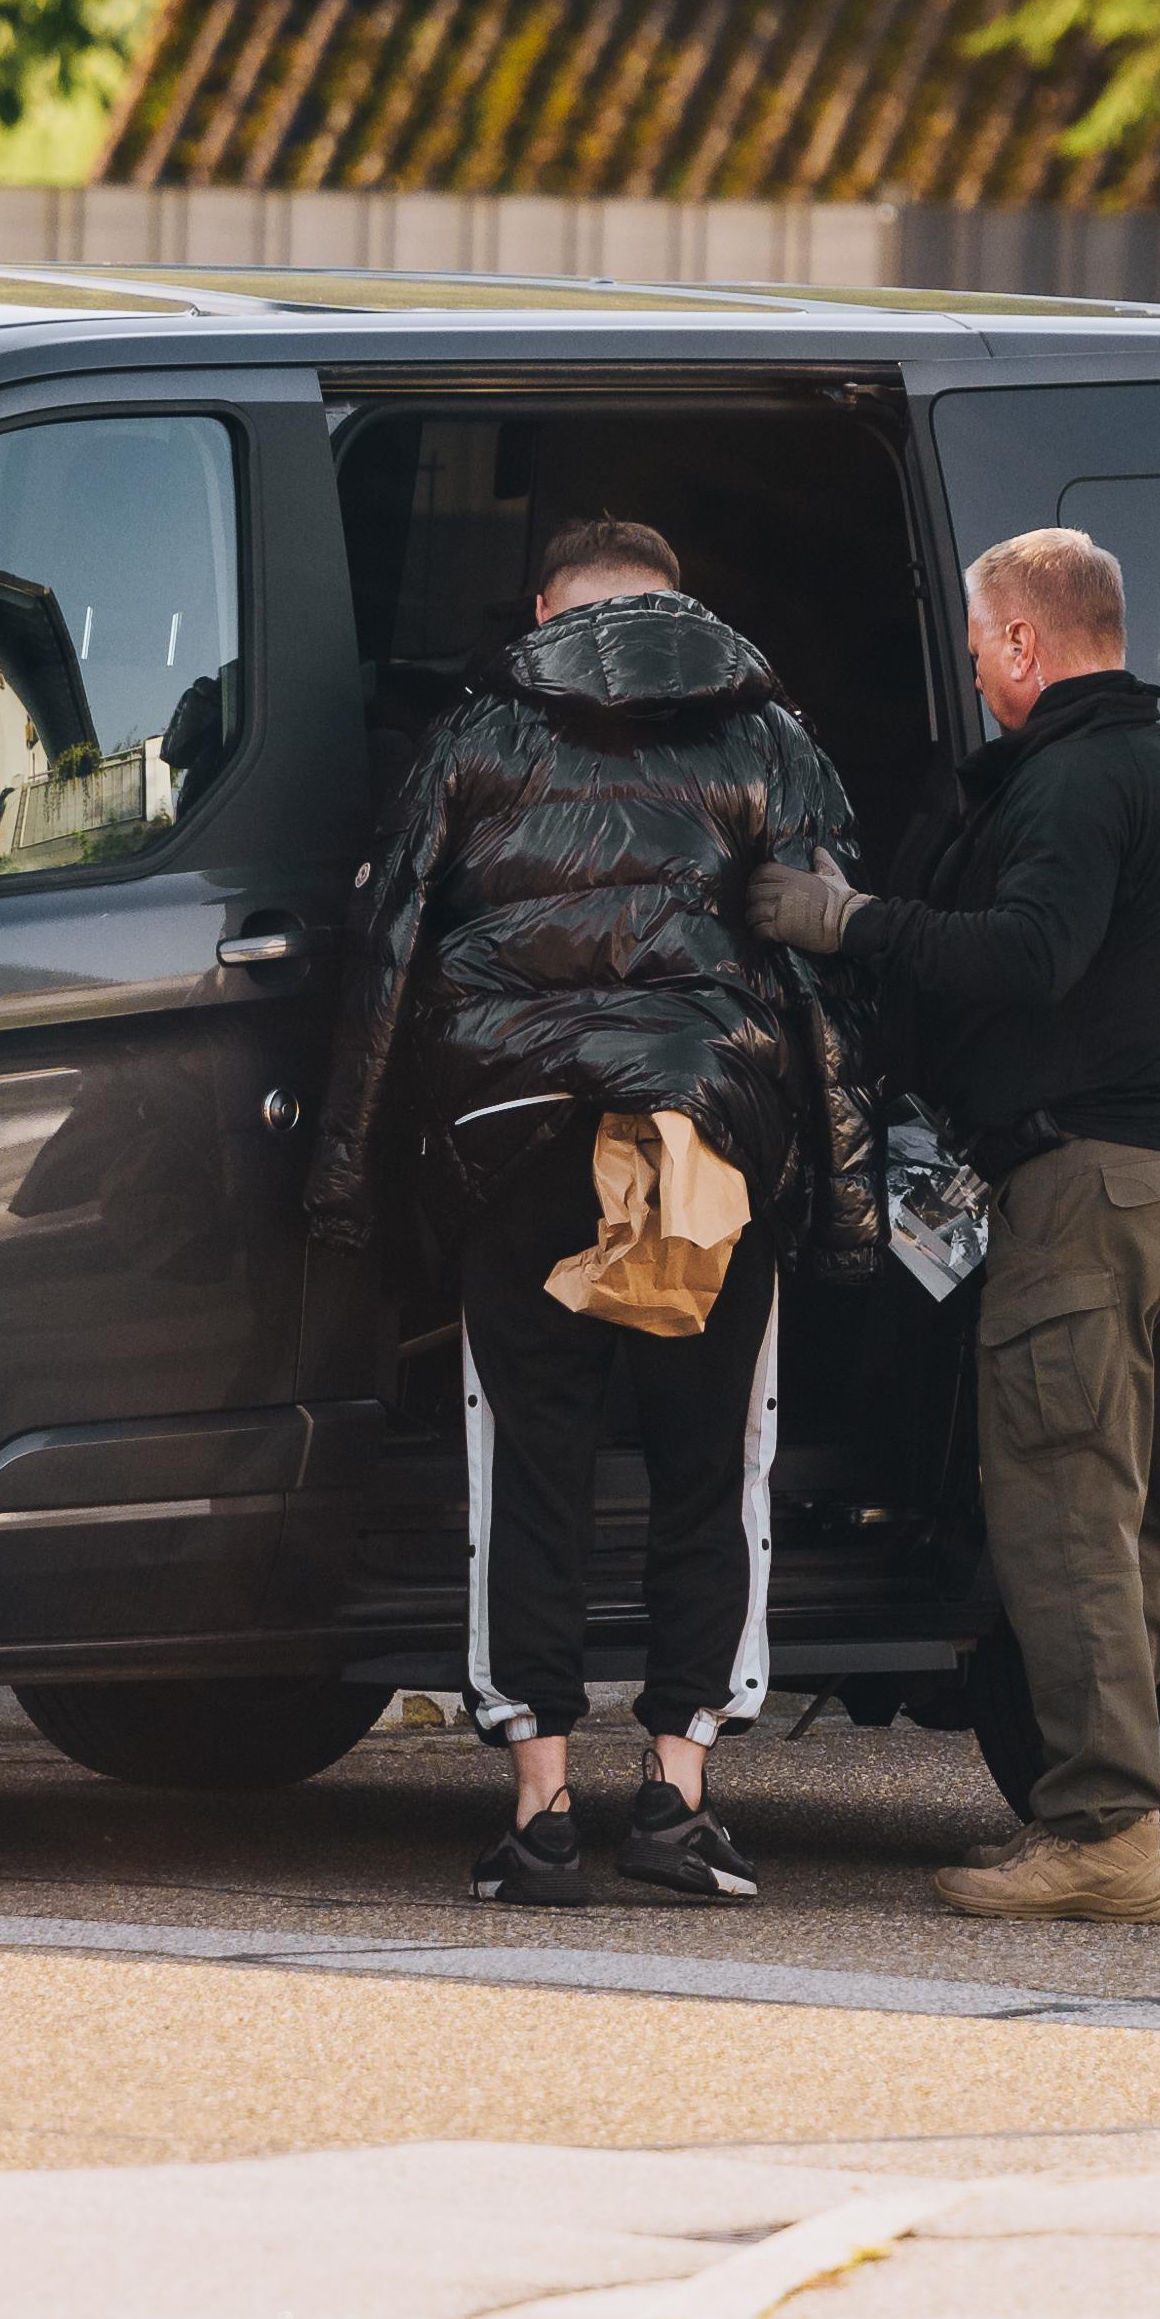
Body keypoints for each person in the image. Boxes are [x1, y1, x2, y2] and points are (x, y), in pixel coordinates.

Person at [310, 517, 878, 1908]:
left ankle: (540, 1809)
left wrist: (346, 1176)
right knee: (711, 1470)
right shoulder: (771, 741)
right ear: (676, 606)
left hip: (519, 1144)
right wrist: (848, 1195)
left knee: (528, 1469)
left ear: (550, 605)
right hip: (706, 1140)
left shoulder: (476, 730)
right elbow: (824, 974)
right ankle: (678, 1796)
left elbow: (390, 947)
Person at [748, 525, 1160, 1923]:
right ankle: (1113, 1817)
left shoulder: (1074, 782)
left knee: (1065, 1522)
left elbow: (1031, 955)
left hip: (1084, 1195)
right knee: (1129, 1524)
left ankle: (1098, 1838)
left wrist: (849, 923)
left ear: (1023, 642)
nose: (971, 670)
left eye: (977, 645)